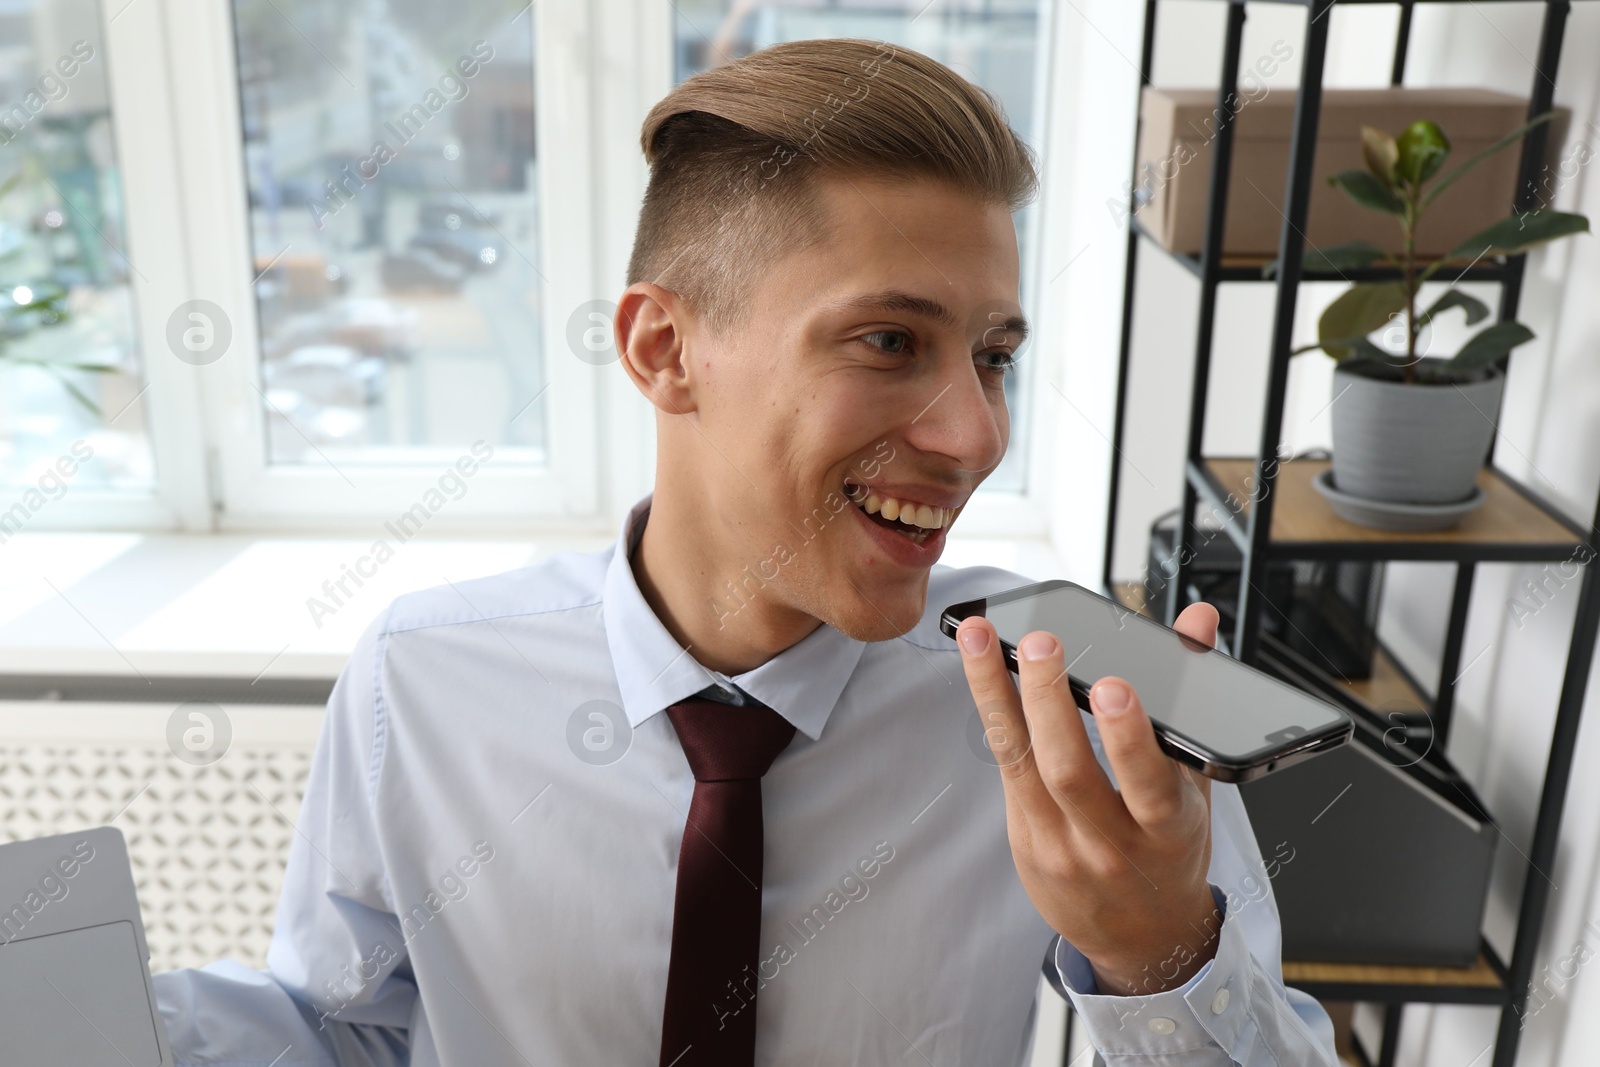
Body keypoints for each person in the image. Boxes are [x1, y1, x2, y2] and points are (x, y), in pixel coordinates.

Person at [153, 38, 1339, 1066]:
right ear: (665, 349)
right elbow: (347, 1028)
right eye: (887, 339)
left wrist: (1160, 956)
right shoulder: (421, 682)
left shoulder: (1064, 715)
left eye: (993, 355)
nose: (976, 435)